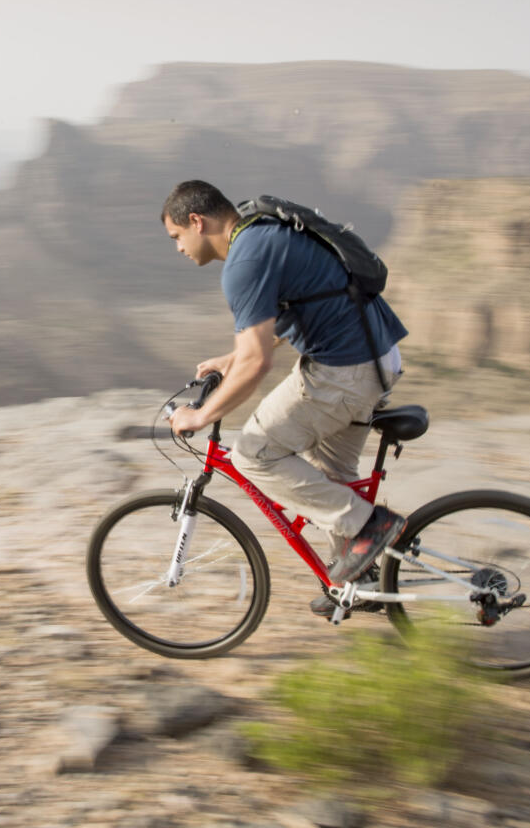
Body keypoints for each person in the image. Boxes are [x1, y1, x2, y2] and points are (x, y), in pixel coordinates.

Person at [161, 179, 409, 616]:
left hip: (345, 370)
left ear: (196, 222)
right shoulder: (260, 231)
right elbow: (280, 322)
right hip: (375, 357)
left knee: (253, 453)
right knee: (328, 474)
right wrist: (229, 357)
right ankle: (364, 581)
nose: (177, 248)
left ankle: (371, 528)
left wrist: (201, 417)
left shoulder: (244, 260)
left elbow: (257, 363)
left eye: (176, 237)